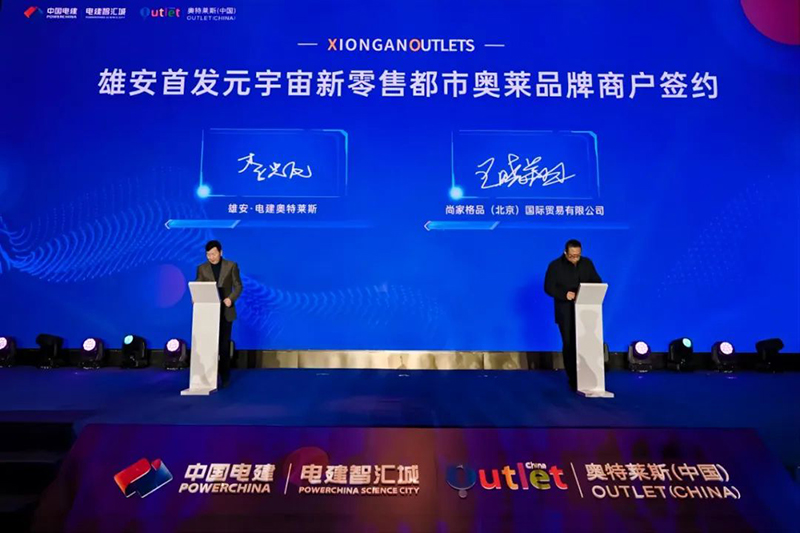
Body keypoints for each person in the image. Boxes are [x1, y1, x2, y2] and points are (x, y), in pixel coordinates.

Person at [544, 239, 602, 391]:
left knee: (586, 342)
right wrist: (565, 294)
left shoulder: (587, 263)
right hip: (565, 312)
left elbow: (597, 281)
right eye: (572, 256)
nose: (575, 258)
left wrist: (591, 290)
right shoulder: (555, 266)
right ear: (565, 252)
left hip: (586, 311)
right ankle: (573, 378)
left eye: (577, 255)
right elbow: (548, 287)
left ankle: (588, 375)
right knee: (569, 344)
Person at [195, 240, 242, 388]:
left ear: (220, 253)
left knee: (223, 346)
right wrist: (195, 297)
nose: (211, 257)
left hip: (225, 311)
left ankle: (225, 376)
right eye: (208, 254)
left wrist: (231, 298)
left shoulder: (231, 266)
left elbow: (238, 286)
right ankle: (209, 377)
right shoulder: (202, 268)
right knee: (209, 346)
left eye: (214, 254)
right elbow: (198, 286)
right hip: (208, 312)